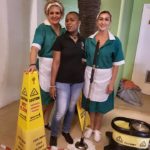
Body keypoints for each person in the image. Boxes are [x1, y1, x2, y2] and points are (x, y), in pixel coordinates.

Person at [82, 10, 125, 142]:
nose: (103, 22)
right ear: (97, 21)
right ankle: (90, 127)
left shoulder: (115, 41)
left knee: (100, 105)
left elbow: (116, 64)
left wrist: (112, 82)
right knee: (90, 103)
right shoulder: (89, 40)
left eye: (106, 19)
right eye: (101, 19)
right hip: (90, 75)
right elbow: (84, 60)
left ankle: (97, 129)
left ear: (110, 22)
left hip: (105, 76)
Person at [49, 12, 85, 149]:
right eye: (67, 20)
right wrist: (52, 84)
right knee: (61, 110)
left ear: (79, 22)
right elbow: (55, 63)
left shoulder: (84, 40)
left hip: (78, 81)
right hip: (62, 81)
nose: (69, 23)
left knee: (71, 108)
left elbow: (85, 59)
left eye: (72, 20)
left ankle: (66, 131)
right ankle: (53, 134)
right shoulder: (60, 40)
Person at [28, 0, 65, 130]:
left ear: (61, 14)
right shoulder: (42, 28)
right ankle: (36, 124)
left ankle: (45, 121)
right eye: (51, 13)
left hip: (60, 67)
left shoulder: (63, 30)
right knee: (43, 98)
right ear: (47, 13)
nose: (55, 15)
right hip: (45, 66)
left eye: (57, 13)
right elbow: (34, 48)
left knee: (52, 97)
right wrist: (32, 64)